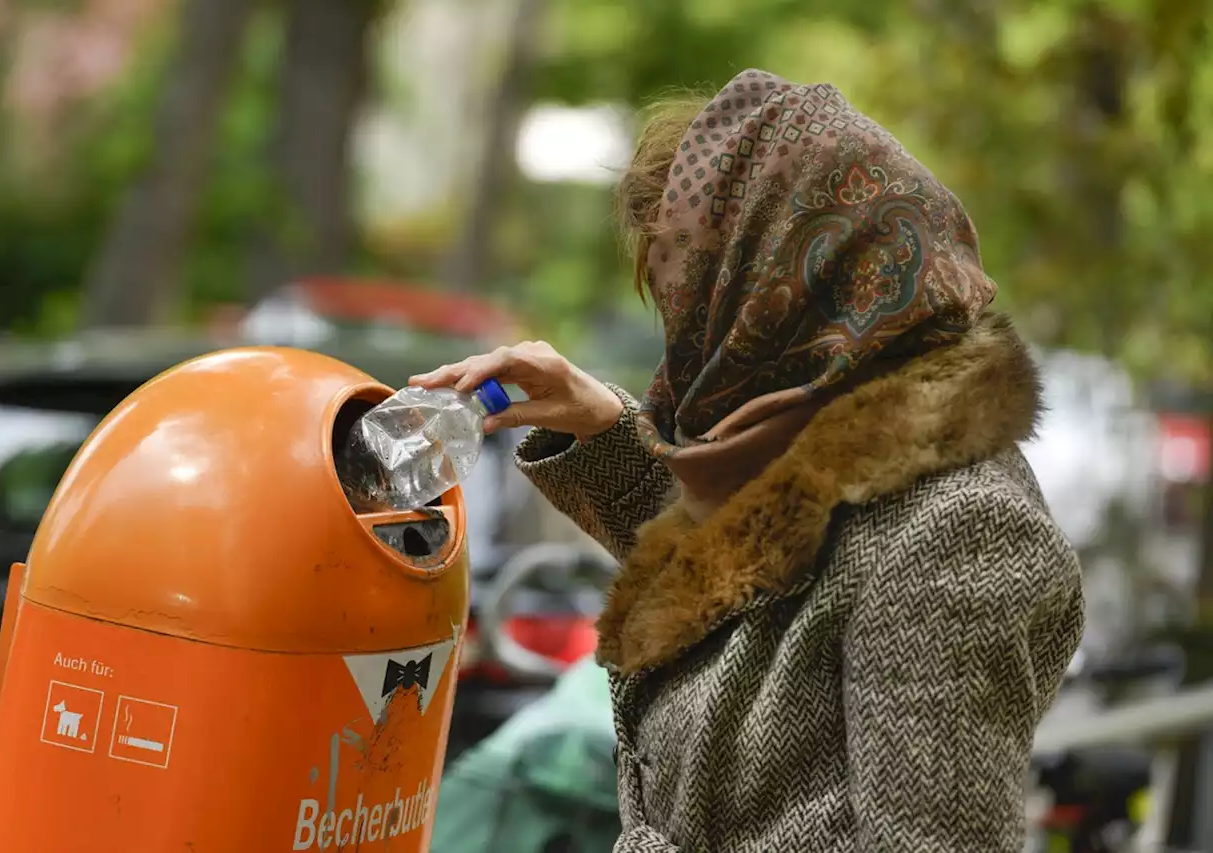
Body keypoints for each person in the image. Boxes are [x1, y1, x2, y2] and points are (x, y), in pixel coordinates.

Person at [413, 69, 1085, 852]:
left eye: (700, 293)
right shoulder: (827, 446)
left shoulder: (960, 530)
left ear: (779, 282)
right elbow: (752, 598)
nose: (688, 334)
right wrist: (603, 431)